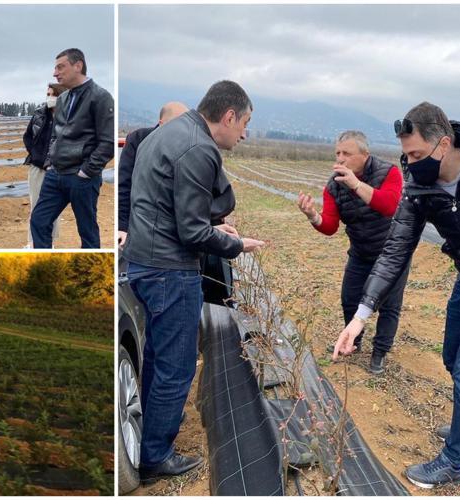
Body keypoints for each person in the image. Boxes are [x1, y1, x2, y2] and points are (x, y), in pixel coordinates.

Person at [332, 102, 460, 488]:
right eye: (405, 154)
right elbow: (395, 250)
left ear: (443, 144)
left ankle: (454, 462)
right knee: (453, 361)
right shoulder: (419, 185)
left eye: (417, 154)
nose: (410, 162)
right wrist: (360, 317)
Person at [123, 80, 266, 483]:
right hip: (169, 269)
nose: (244, 133)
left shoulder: (166, 132)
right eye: (245, 123)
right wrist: (236, 245)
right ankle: (155, 457)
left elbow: (168, 205)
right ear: (229, 116)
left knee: (155, 358)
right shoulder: (199, 147)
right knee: (176, 365)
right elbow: (191, 232)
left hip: (144, 260)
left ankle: (145, 441)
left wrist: (217, 225)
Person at [296, 130, 407, 374]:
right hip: (360, 250)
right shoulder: (333, 186)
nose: (340, 158)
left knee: (389, 305)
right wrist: (313, 216)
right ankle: (352, 341)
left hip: (392, 252)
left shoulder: (389, 173)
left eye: (347, 153)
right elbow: (330, 226)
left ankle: (380, 352)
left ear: (365, 155)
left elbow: (390, 205)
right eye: (337, 153)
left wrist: (356, 185)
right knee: (349, 298)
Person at [30, 48, 114, 249]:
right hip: (56, 174)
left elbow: (108, 141)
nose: (55, 73)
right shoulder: (63, 98)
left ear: (78, 66)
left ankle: (91, 274)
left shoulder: (100, 97)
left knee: (87, 231)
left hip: (81, 178)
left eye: (60, 67)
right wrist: (51, 162)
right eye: (55, 68)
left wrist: (86, 172)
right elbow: (55, 135)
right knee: (39, 221)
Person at [117, 102, 189, 247]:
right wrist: (122, 227)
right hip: (138, 226)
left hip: (174, 232)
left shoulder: (189, 146)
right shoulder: (138, 139)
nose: (181, 131)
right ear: (161, 123)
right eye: (176, 126)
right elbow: (124, 185)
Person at [22, 82, 66, 248]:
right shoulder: (39, 114)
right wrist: (35, 155)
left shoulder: (67, 117)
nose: (49, 98)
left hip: (56, 169)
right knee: (35, 206)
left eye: (52, 94)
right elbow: (27, 137)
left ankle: (50, 242)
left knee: (52, 208)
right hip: (37, 167)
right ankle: (32, 242)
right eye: (47, 94)